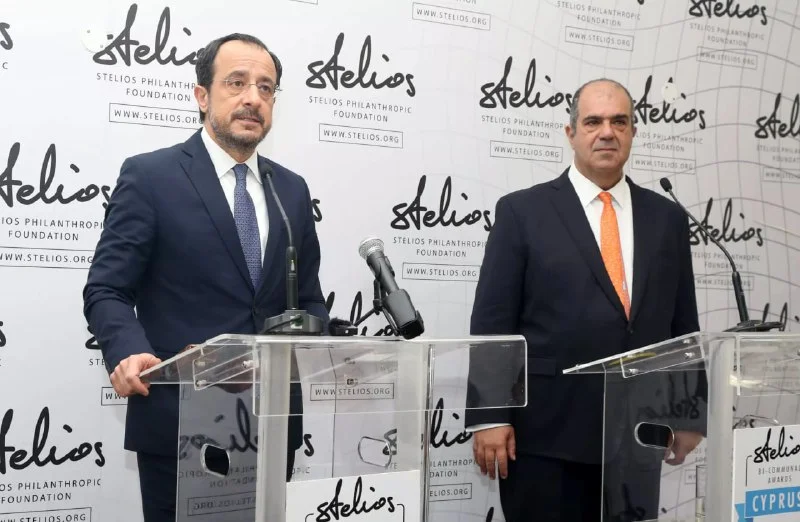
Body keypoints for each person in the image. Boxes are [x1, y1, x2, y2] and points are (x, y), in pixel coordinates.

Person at [83, 33, 328, 522]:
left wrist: (318, 335)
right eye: (236, 83)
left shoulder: (292, 191)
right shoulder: (151, 177)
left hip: (270, 425)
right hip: (180, 424)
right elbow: (107, 288)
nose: (252, 98)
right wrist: (128, 349)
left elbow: (310, 299)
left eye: (265, 87)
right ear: (202, 95)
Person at [465, 78, 705, 521]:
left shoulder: (667, 218)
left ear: (633, 132)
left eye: (619, 122)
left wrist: (691, 412)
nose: (607, 132)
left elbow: (682, 322)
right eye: (593, 122)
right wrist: (490, 416)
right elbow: (494, 320)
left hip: (639, 436)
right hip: (545, 439)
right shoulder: (522, 212)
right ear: (570, 132)